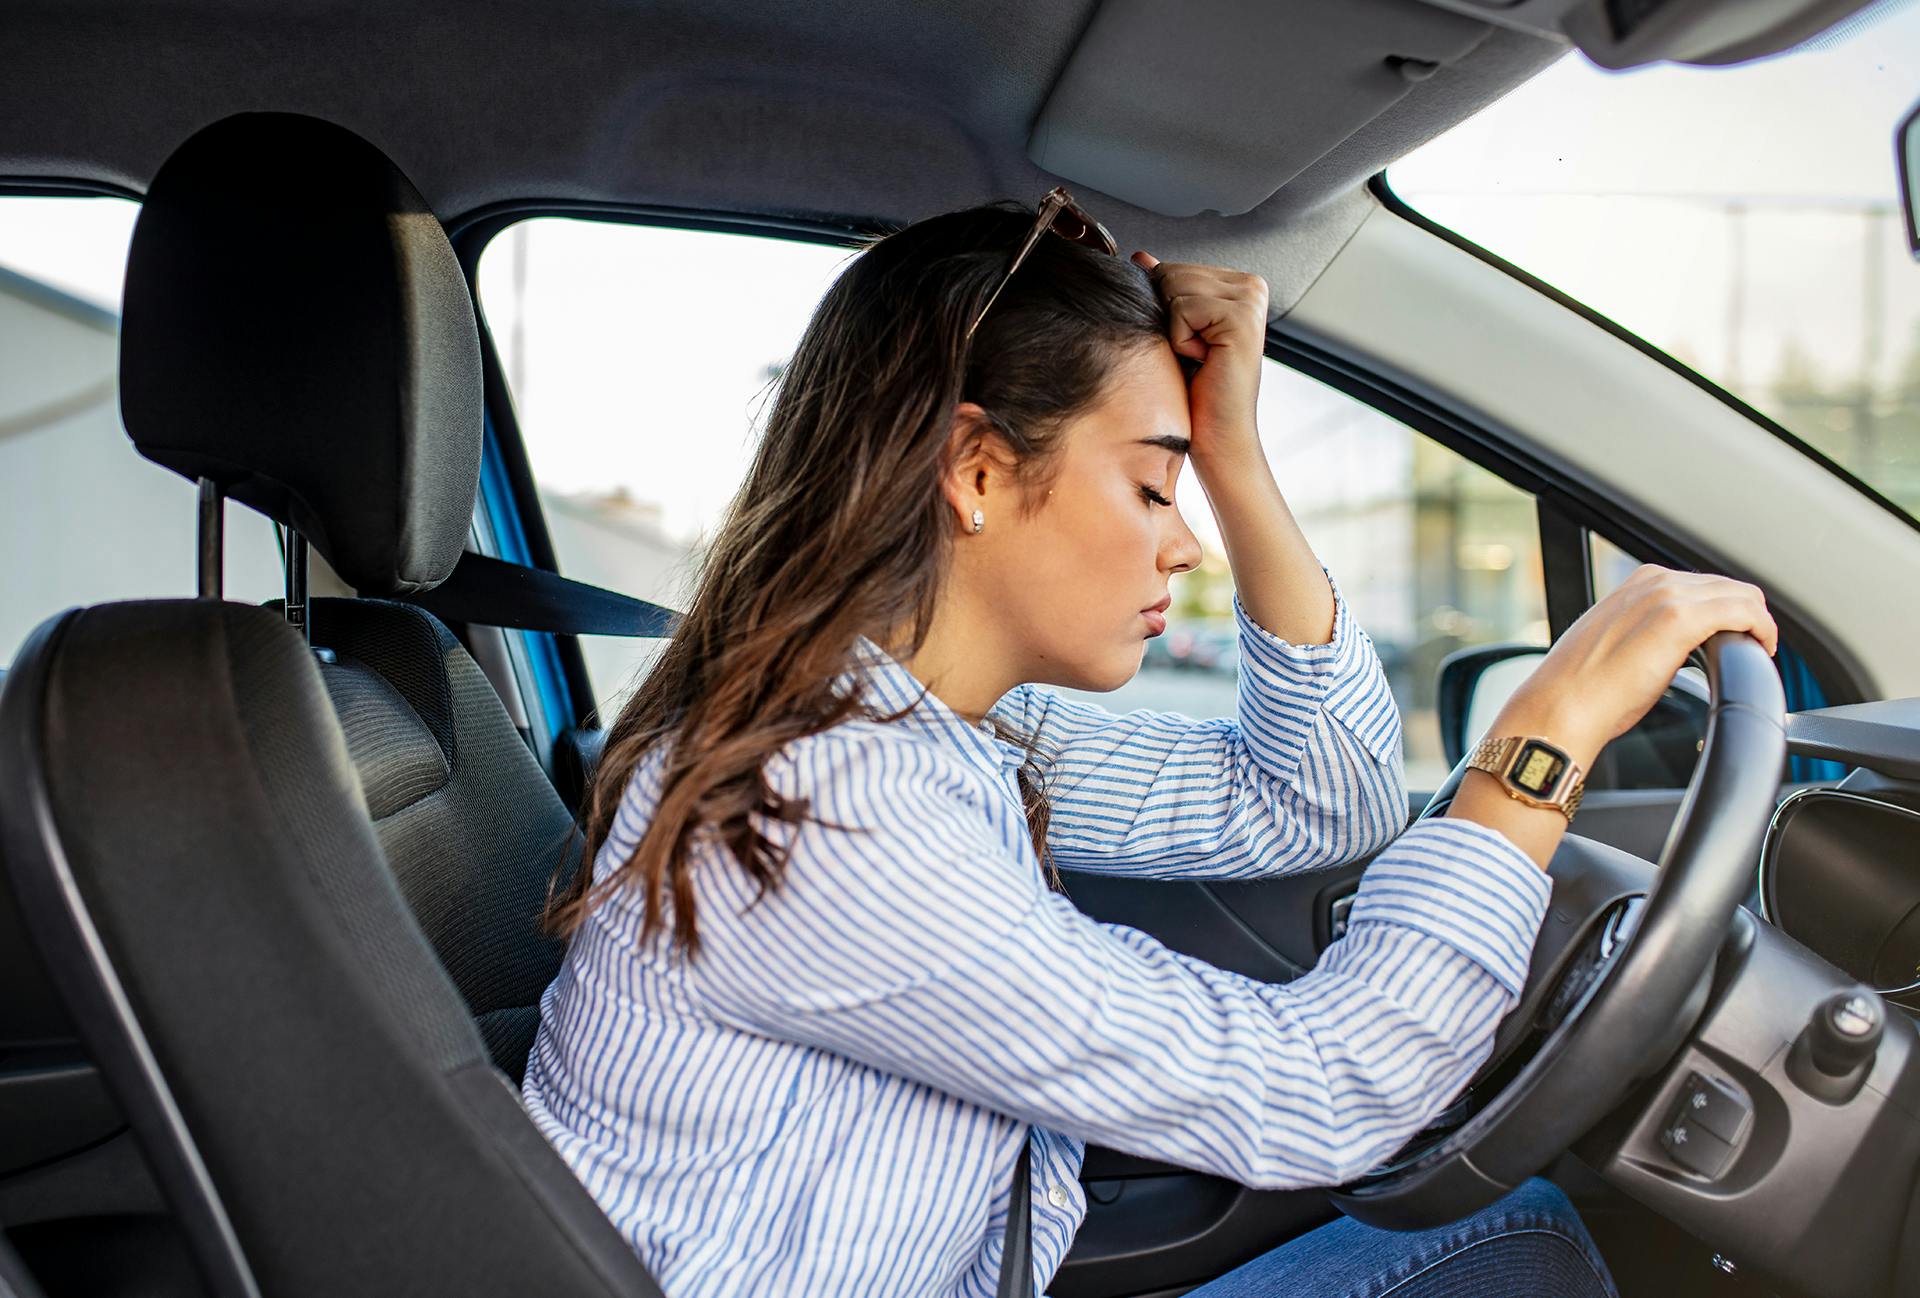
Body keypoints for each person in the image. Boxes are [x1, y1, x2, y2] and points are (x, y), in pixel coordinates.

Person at [522, 191, 1776, 1298]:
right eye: (1151, 487)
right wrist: (1545, 735)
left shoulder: (943, 723)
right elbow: (1325, 1089)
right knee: (1531, 1254)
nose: (1185, 544)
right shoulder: (824, 803)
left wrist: (1227, 447)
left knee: (1529, 1233)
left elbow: (1317, 799)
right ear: (973, 467)